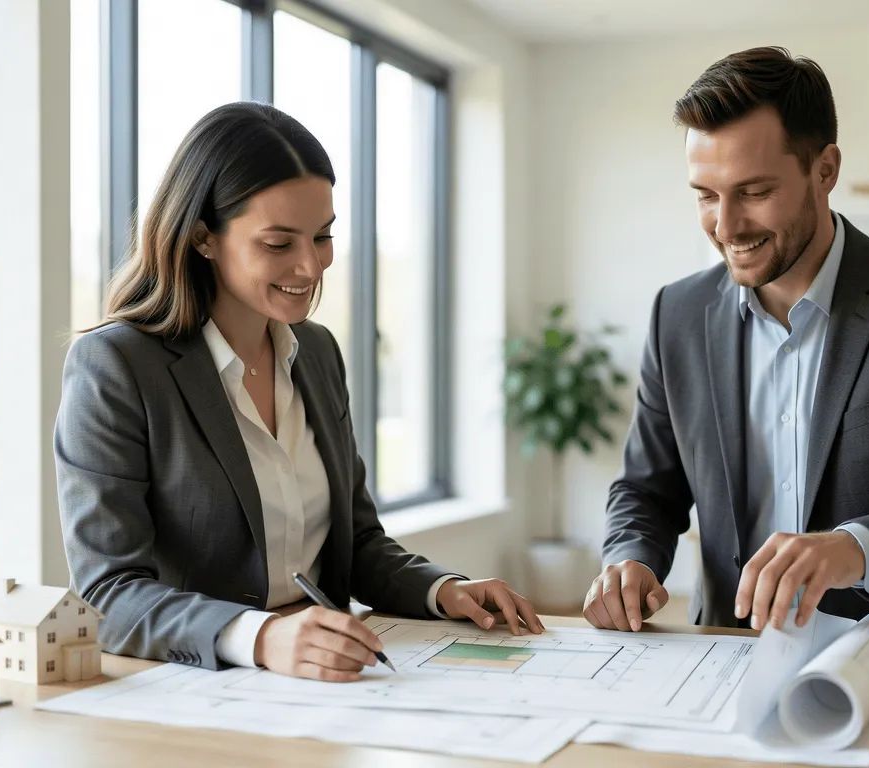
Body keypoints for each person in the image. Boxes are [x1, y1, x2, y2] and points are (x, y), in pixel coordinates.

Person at [56, 102, 541, 681]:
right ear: (204, 237)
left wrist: (443, 589)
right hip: (195, 690)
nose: (311, 266)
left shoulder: (315, 352)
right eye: (279, 242)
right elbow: (107, 592)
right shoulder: (116, 365)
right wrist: (260, 637)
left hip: (326, 683)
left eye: (323, 235)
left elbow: (356, 543)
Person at [584, 47, 869, 635]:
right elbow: (647, 489)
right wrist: (630, 559)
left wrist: (854, 548)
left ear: (824, 170)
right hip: (725, 655)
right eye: (705, 194)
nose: (725, 227)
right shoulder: (676, 313)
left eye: (753, 192)